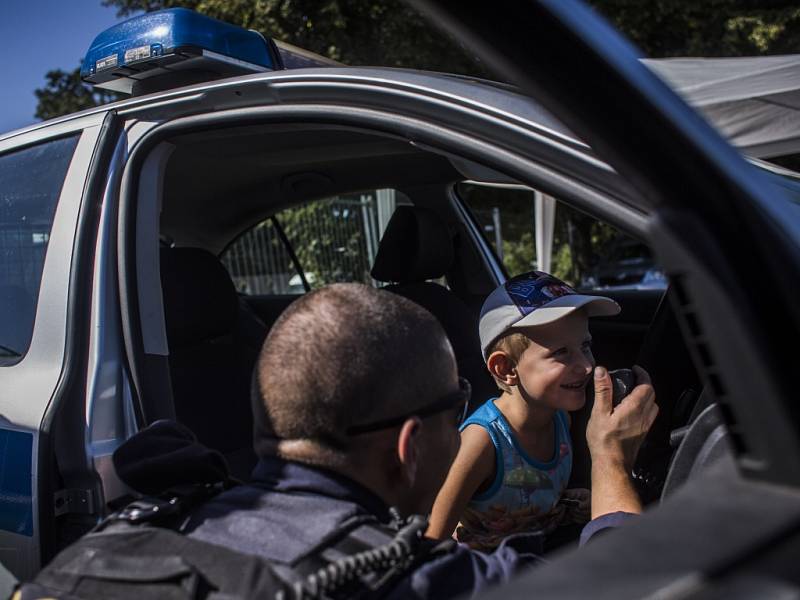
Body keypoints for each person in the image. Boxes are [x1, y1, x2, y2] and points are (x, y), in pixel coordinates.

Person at [25, 283, 656, 599]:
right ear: (410, 446)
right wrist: (608, 454)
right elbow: (638, 584)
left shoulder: (150, 524)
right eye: (455, 404)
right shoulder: (399, 578)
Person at [428, 271, 656, 552]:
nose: (586, 365)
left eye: (585, 346)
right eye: (561, 352)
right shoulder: (481, 443)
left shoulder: (561, 418)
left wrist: (571, 502)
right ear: (506, 369)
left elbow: (531, 492)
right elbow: (433, 541)